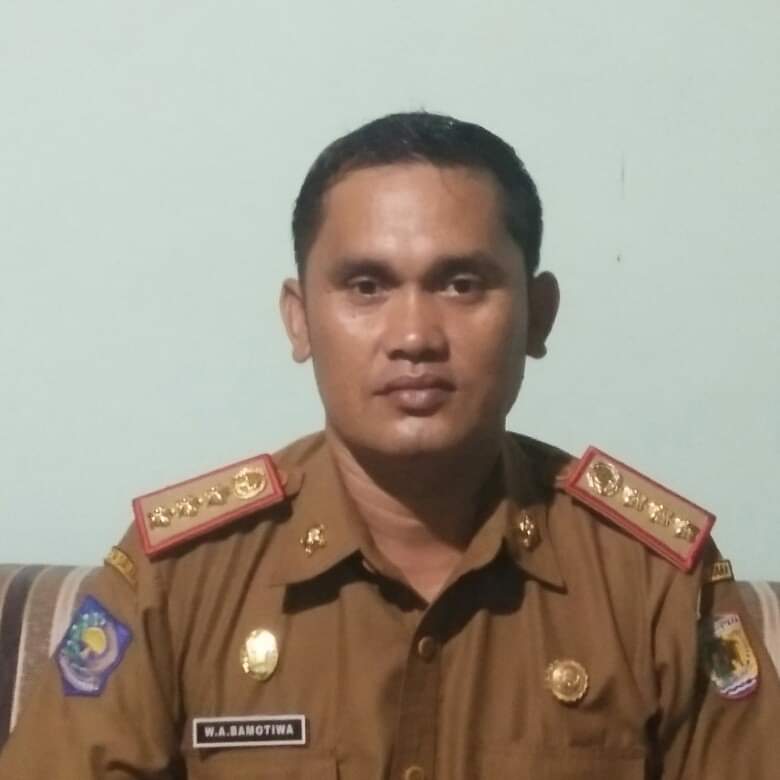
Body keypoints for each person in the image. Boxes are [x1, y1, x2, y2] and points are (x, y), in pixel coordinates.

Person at [1, 111, 777, 779]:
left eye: (461, 284)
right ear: (300, 320)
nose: (413, 336)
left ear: (538, 316)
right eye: (366, 287)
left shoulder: (652, 585)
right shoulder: (178, 581)